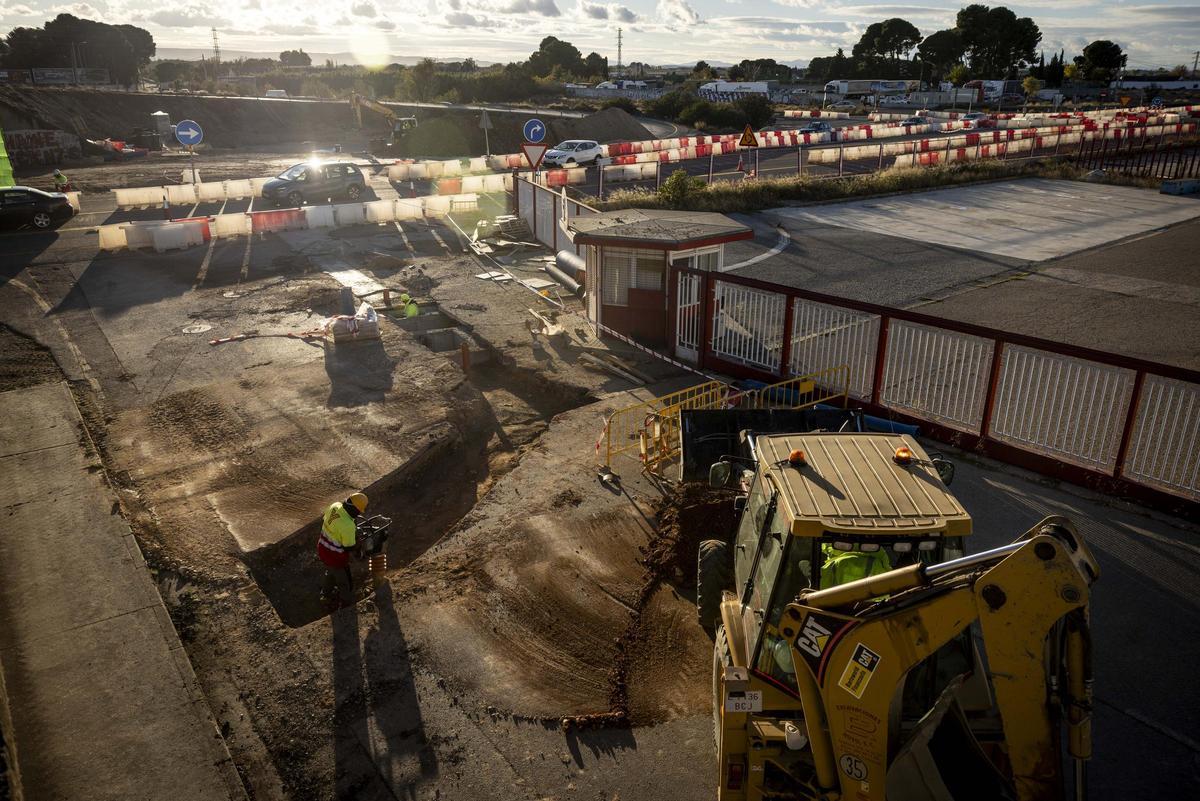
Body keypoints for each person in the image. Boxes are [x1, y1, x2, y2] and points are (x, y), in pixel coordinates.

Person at [318, 492, 368, 603]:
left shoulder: (335, 505)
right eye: (359, 511)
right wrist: (359, 542)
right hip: (335, 556)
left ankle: (325, 594)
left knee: (331, 572)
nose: (359, 513)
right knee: (345, 582)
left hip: (322, 547)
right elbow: (348, 548)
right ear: (355, 509)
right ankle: (347, 604)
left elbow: (328, 521)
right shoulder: (348, 526)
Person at [819, 542, 891, 589]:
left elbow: (822, 590)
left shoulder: (833, 565)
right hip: (873, 609)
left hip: (835, 607)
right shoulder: (877, 563)